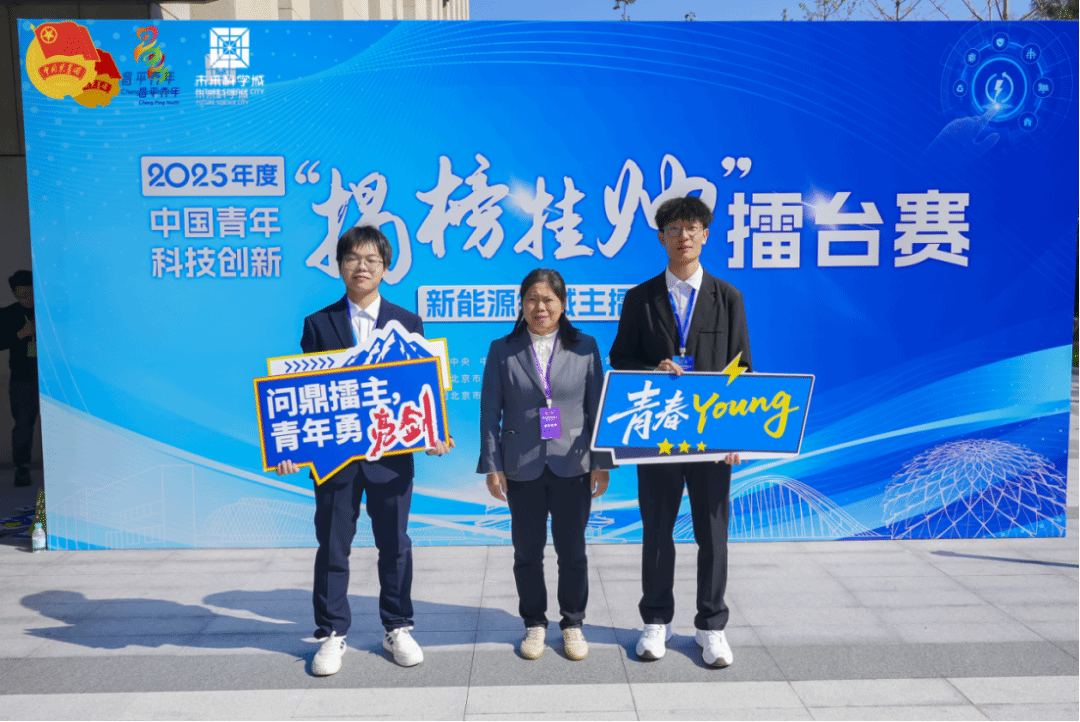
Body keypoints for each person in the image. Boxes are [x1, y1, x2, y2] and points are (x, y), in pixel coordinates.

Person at [276, 226, 453, 676]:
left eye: (372, 259)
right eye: (353, 258)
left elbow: (420, 389)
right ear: (339, 265)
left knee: (395, 545)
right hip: (335, 461)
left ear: (385, 268)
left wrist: (433, 433)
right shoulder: (318, 324)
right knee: (333, 548)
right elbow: (302, 393)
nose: (362, 266)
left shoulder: (408, 322)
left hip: (391, 460)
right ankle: (332, 633)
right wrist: (292, 446)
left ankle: (397, 627)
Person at [608, 196, 752, 668]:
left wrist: (736, 435)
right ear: (661, 238)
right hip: (658, 435)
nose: (683, 236)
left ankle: (712, 626)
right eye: (674, 229)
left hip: (711, 439)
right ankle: (656, 621)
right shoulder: (640, 298)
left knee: (713, 535)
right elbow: (619, 358)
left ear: (705, 235)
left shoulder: (728, 297)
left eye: (691, 228)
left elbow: (742, 368)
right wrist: (653, 368)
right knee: (657, 531)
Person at [478, 268, 613, 661]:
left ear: (563, 304)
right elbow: (489, 412)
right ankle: (534, 623)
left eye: (548, 299)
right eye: (532, 299)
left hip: (574, 463)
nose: (540, 307)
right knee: (527, 553)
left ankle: (573, 624)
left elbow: (597, 409)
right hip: (522, 465)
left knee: (573, 552)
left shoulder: (585, 346)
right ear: (521, 304)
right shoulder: (502, 349)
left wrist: (601, 463)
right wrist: (492, 465)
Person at [0, 270, 37, 488]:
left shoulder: (47, 311)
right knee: (23, 424)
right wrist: (21, 334)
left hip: (50, 378)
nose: (27, 297)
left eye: (30, 292)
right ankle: (21, 467)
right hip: (22, 378)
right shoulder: (8, 314)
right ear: (15, 293)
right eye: (22, 293)